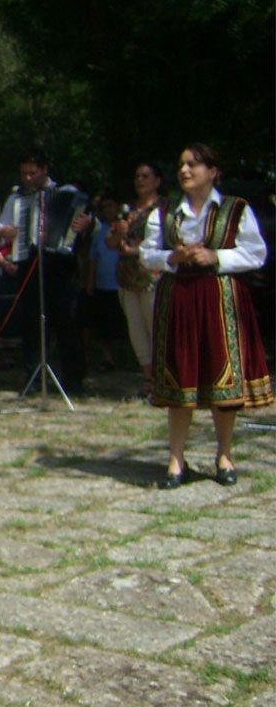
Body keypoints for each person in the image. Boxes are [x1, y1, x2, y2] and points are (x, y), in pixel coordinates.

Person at [140, 143, 272, 488]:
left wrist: (217, 257)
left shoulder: (235, 209)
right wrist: (172, 258)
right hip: (179, 299)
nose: (184, 171)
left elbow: (256, 253)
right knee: (179, 377)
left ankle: (224, 454)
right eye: (181, 165)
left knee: (222, 378)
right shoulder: (165, 211)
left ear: (212, 171)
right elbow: (146, 254)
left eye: (193, 165)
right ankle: (176, 459)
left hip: (220, 299)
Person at [0, 147, 92, 394]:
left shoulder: (68, 193)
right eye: (23, 173)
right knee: (32, 323)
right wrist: (3, 231)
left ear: (45, 170)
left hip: (61, 265)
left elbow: (91, 226)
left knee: (67, 321)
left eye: (32, 173)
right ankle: (33, 377)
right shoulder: (17, 198)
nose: (27, 178)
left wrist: (87, 224)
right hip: (30, 263)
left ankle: (74, 379)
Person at [107, 163, 167, 396]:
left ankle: (164, 379)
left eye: (145, 176)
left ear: (157, 181)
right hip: (127, 277)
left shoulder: (164, 209)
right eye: (137, 176)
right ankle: (149, 379)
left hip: (153, 276)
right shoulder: (127, 210)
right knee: (136, 329)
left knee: (156, 328)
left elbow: (167, 242)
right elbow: (110, 243)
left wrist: (133, 250)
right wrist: (120, 233)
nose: (140, 180)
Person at [86, 193, 126, 371]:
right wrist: (90, 282)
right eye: (104, 207)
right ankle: (107, 358)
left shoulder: (126, 227)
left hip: (123, 283)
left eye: (111, 206)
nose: (108, 210)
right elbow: (92, 258)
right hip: (103, 283)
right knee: (104, 323)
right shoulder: (99, 231)